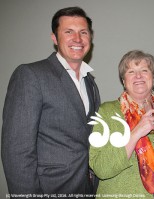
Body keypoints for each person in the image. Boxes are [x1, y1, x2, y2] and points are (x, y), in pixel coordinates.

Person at [1, 7, 100, 196]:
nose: (77, 39)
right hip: (49, 189)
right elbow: (16, 151)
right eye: (68, 32)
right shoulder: (30, 75)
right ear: (54, 38)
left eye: (83, 32)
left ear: (90, 37)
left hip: (87, 189)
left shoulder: (90, 82)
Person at [89, 50, 154, 198]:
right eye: (131, 71)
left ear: (153, 77)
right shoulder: (107, 112)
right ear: (123, 80)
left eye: (144, 70)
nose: (138, 76)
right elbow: (101, 168)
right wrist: (136, 132)